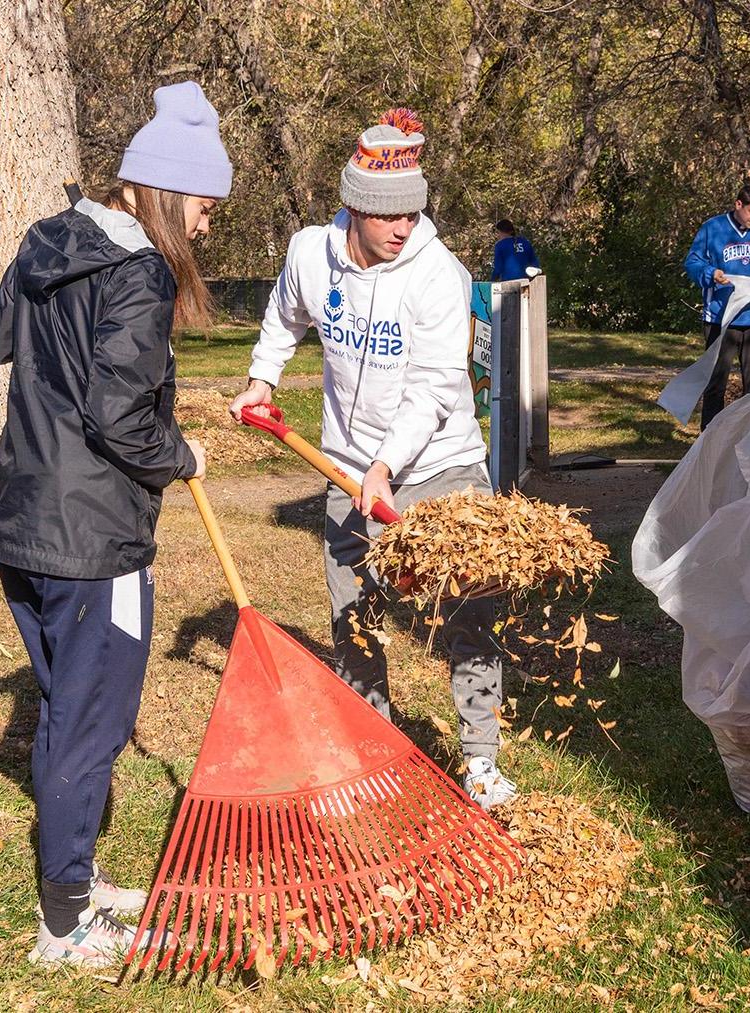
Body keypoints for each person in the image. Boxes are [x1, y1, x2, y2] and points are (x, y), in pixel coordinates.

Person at [0, 81, 228, 967]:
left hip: (23, 525)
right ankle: (66, 926)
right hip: (94, 541)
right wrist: (181, 455)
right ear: (163, 191)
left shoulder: (51, 237)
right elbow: (122, 417)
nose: (205, 224)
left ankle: (71, 878)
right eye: (201, 203)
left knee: (65, 711)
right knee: (92, 724)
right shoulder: (142, 273)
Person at [228, 108, 516, 809]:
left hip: (443, 465)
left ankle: (478, 758)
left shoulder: (438, 276)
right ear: (354, 207)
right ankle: (377, 751)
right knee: (353, 614)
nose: (403, 229)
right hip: (347, 467)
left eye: (413, 216)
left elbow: (436, 386)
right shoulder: (307, 254)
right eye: (389, 217)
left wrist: (387, 464)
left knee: (475, 608)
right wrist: (263, 378)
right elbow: (283, 317)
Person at [683, 183, 750, 427]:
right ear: (738, 205)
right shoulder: (713, 228)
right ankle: (709, 437)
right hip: (721, 319)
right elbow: (693, 263)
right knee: (716, 383)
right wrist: (711, 273)